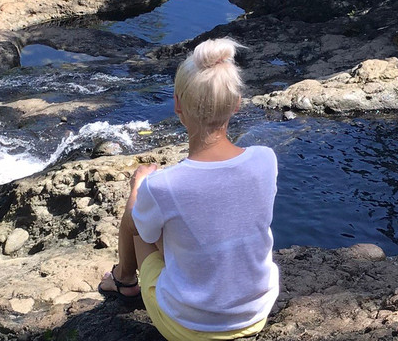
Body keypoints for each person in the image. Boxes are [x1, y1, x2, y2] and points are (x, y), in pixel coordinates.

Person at [98, 38, 279, 340]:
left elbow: (139, 227)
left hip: (190, 329)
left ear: (178, 104)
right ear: (236, 104)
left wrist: (138, 187)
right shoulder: (266, 159)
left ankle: (124, 279)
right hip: (256, 314)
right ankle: (126, 278)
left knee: (139, 223)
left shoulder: (164, 185)